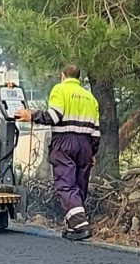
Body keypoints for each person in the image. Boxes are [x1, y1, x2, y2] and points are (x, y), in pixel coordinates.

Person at [37, 66, 102, 240]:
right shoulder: (90, 97)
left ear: (62, 76)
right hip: (86, 144)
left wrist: (32, 116)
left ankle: (79, 224)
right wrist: (92, 152)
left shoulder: (60, 89)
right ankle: (73, 225)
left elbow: (54, 117)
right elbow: (96, 131)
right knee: (80, 185)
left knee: (66, 184)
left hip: (64, 142)